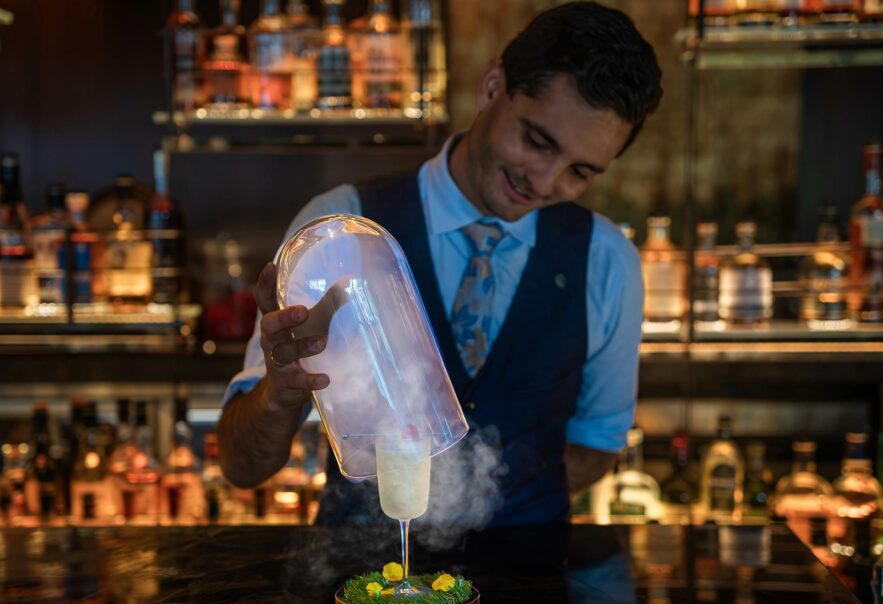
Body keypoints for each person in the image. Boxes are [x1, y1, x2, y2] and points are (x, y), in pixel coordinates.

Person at [217, 1, 663, 526]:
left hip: (533, 592)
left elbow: (596, 445)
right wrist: (278, 393)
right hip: (360, 588)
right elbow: (242, 468)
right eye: (537, 141)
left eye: (579, 172)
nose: (544, 183)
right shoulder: (340, 228)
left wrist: (488, 511)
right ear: (492, 85)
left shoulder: (608, 261)